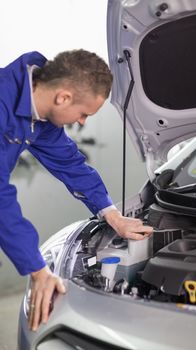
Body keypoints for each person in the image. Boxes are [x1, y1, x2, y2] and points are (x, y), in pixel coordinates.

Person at [0, 49, 153, 331]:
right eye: (83, 114)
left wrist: (112, 215)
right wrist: (38, 270)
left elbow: (70, 163)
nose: (82, 122)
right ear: (63, 97)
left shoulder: (39, 111)